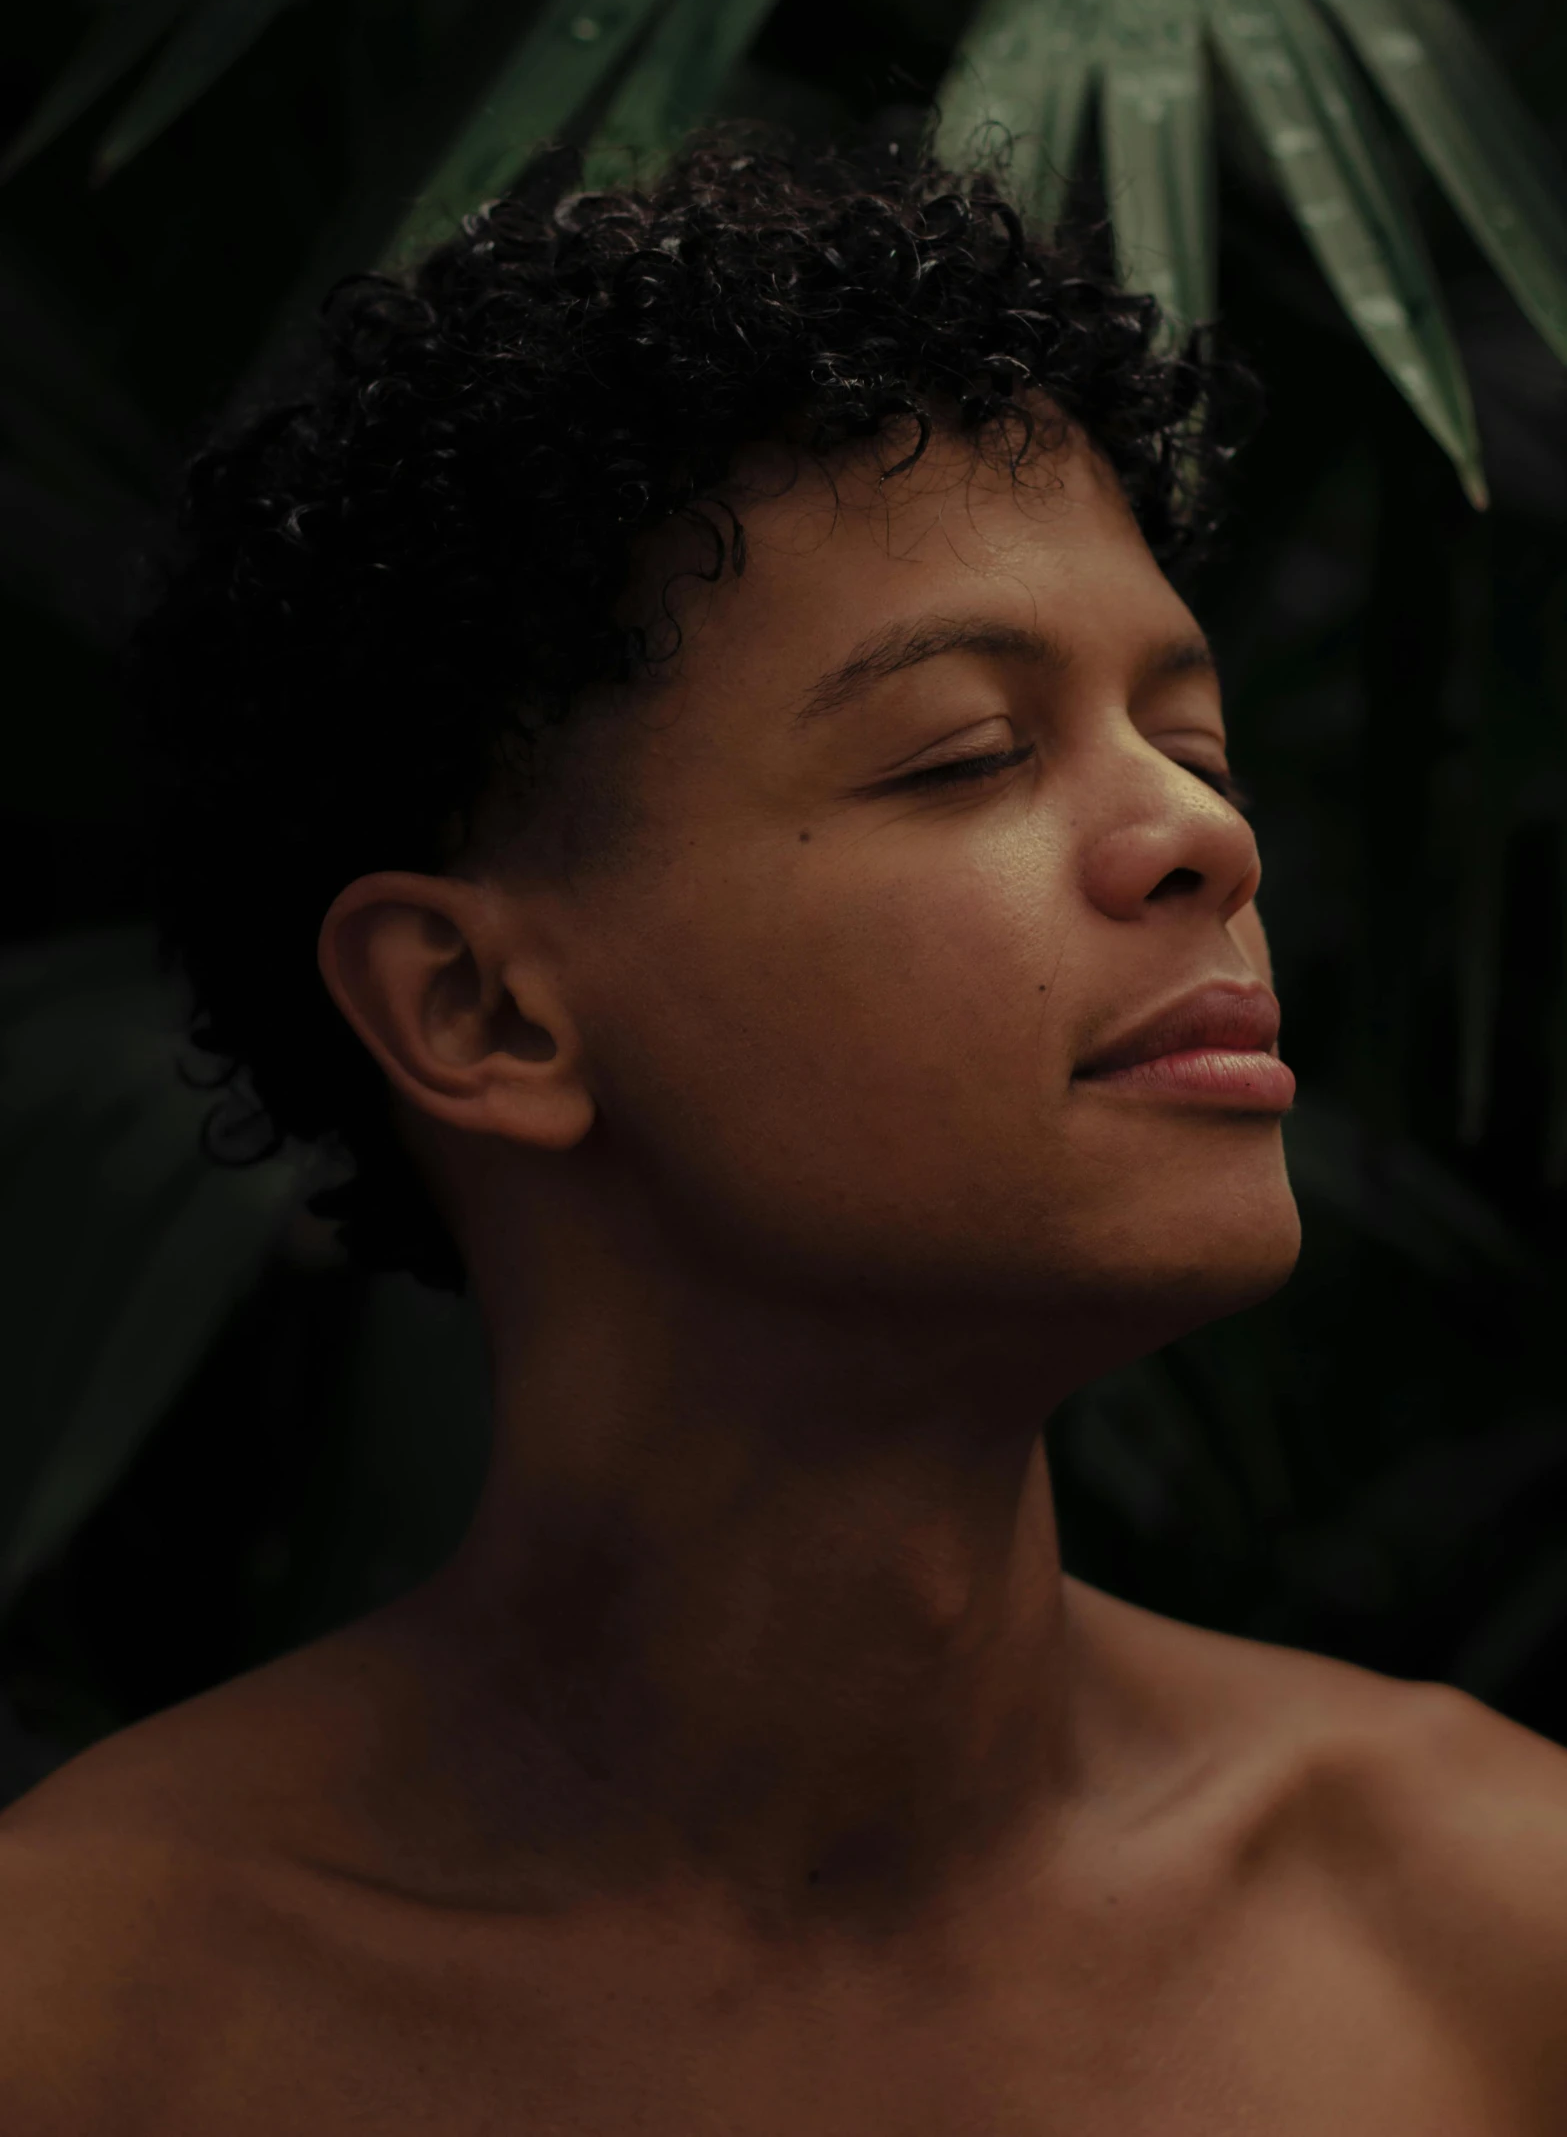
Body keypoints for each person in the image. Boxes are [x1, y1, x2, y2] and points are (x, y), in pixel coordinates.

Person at [2, 139, 1564, 2136]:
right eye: (967, 752)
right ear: (478, 1007)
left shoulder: (1493, 1919)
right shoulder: (86, 2024)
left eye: (1192, 739)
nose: (1210, 835)